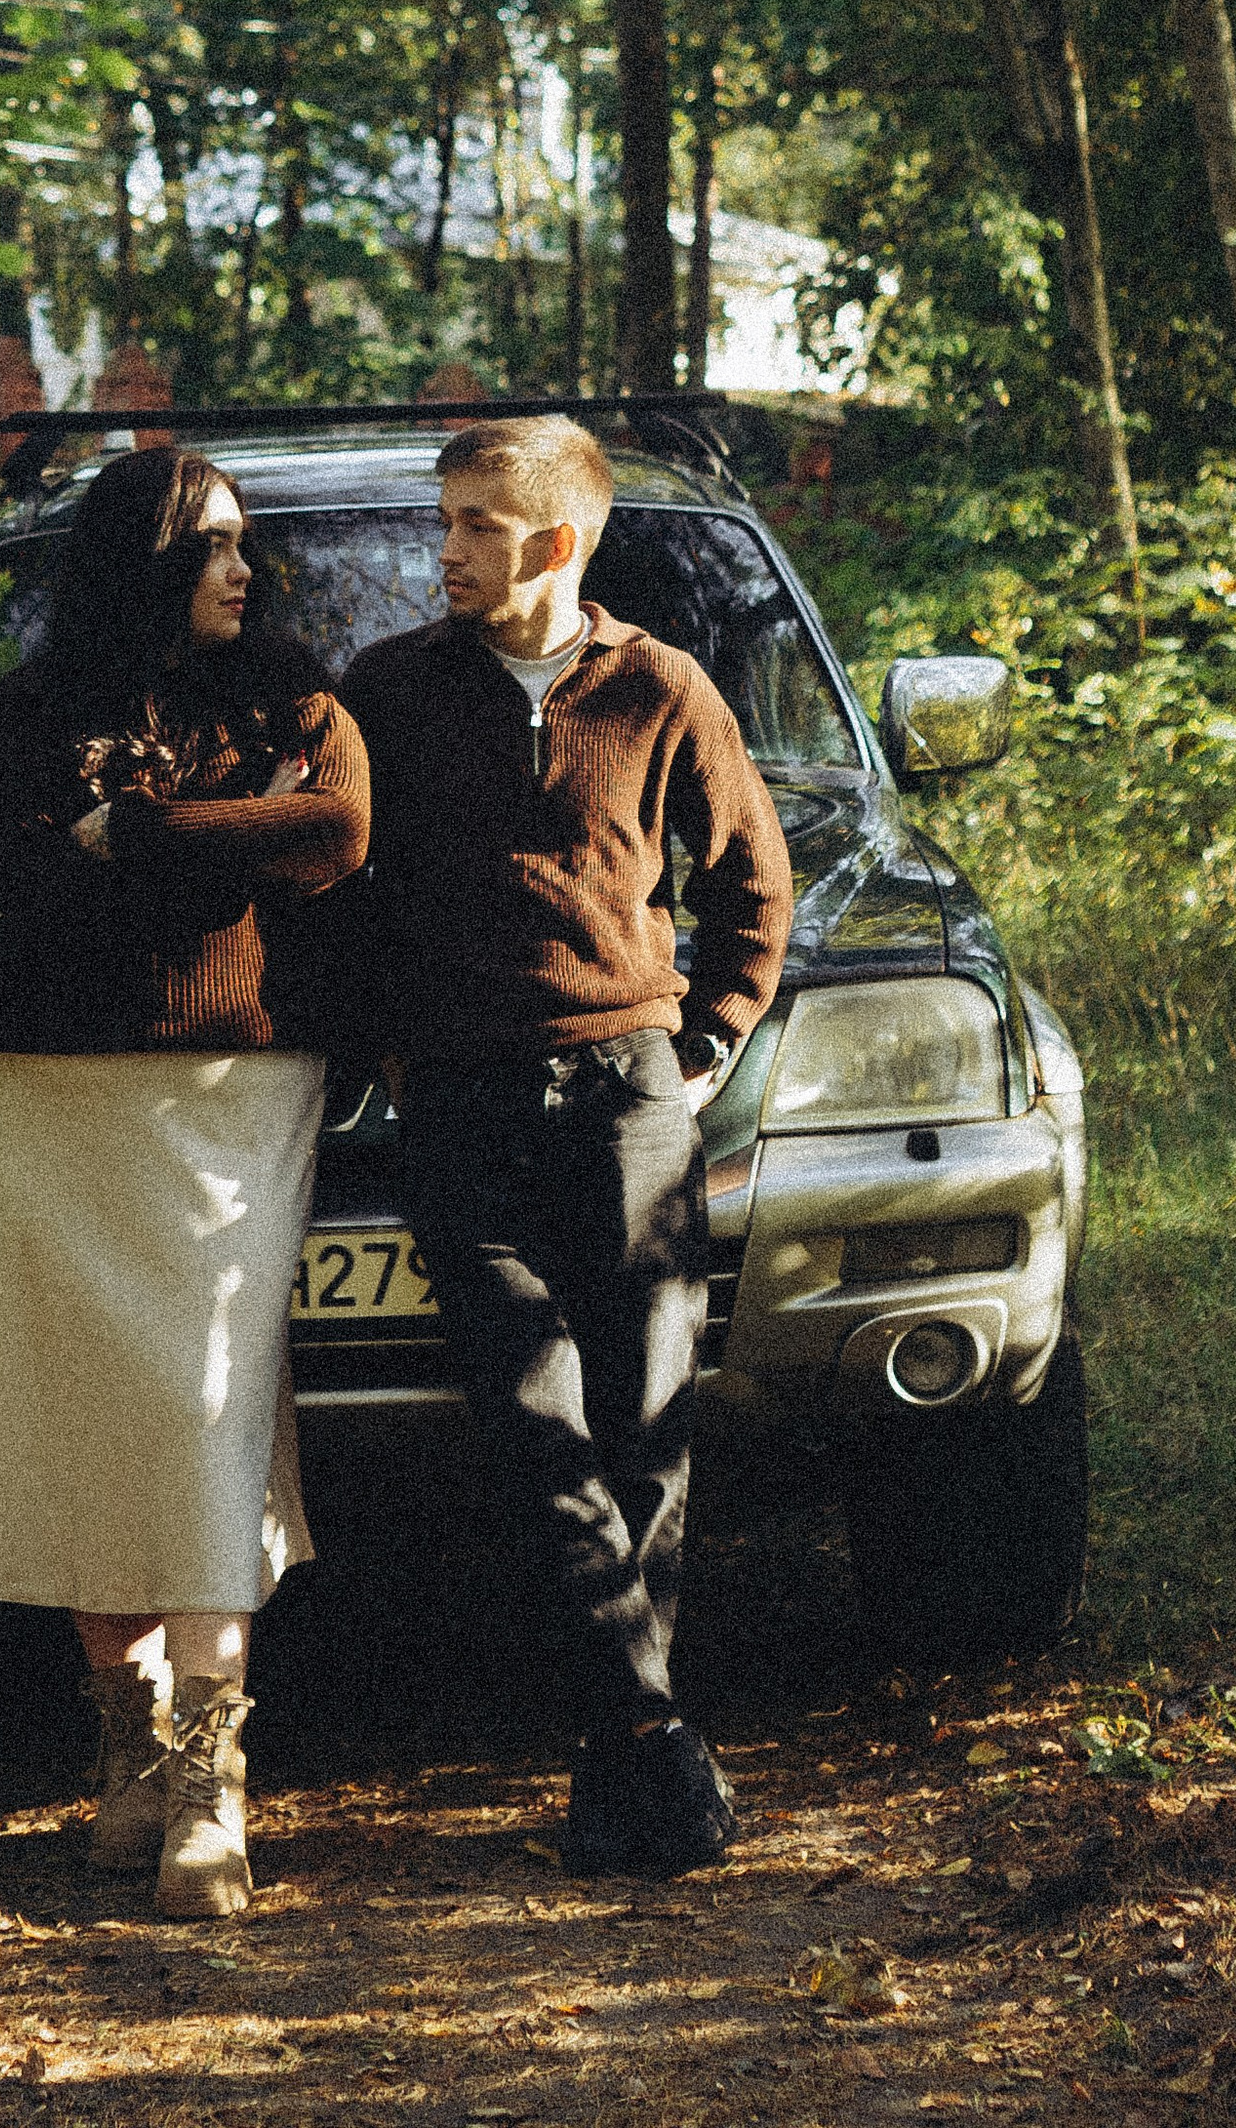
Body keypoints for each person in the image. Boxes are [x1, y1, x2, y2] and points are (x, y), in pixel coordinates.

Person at [342, 413, 794, 1878]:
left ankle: (619, 1761)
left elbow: (751, 880)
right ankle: (654, 1730)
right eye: (445, 522)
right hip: (459, 1106)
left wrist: (710, 1038)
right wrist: (389, 1043)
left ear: (553, 542)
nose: (445, 550)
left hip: (627, 1098)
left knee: (648, 1428)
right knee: (537, 1429)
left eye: (472, 526)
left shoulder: (662, 689)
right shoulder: (389, 692)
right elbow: (337, 889)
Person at [0, 444, 370, 1917]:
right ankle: (127, 1756)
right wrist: (229, 844)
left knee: (203, 1414)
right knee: (77, 1421)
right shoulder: (22, 716)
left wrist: (139, 829)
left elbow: (336, 834)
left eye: (243, 545)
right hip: (41, 1086)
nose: (243, 570)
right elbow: (25, 873)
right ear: (144, 562)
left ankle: (206, 1785)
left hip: (229, 1089)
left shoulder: (295, 702)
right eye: (212, 547)